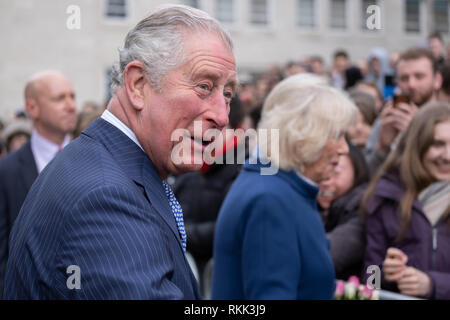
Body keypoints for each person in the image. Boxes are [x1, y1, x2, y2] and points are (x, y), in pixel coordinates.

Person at [3, 5, 236, 299]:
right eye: (204, 86)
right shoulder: (105, 197)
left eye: (227, 94)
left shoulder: (106, 166)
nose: (222, 115)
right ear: (138, 85)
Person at [212, 75, 357, 299]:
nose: (344, 149)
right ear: (303, 134)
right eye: (337, 136)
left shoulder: (277, 187)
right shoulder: (270, 199)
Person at [362, 102, 450, 299]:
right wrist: (386, 273)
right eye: (437, 144)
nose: (447, 156)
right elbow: (370, 280)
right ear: (417, 146)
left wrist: (433, 285)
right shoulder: (387, 196)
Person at [0, 70, 77, 294]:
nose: (71, 105)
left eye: (72, 96)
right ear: (32, 108)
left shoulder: (100, 160)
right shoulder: (7, 171)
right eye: (59, 98)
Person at [173, 97, 246, 294]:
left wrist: (179, 233)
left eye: (215, 126)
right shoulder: (192, 168)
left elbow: (228, 229)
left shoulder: (242, 169)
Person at [365, 48, 443, 172]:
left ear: (437, 80)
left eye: (419, 76)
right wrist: (382, 148)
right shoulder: (388, 120)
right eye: (404, 78)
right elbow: (366, 175)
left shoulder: (446, 119)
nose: (411, 84)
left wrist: (417, 132)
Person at [317, 142, 369, 281]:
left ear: (357, 173)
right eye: (322, 172)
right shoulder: (316, 207)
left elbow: (325, 255)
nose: (326, 180)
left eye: (335, 172)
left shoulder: (363, 208)